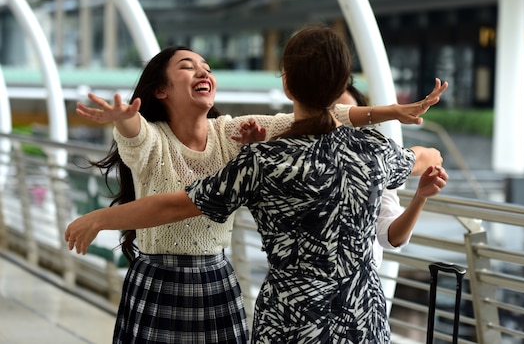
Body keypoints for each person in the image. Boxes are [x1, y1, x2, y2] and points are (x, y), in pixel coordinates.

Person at [66, 24, 448, 343]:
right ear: (338, 88)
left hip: (288, 319)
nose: (203, 72)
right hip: (361, 316)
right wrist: (400, 123)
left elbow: (173, 205)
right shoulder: (372, 150)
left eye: (206, 66)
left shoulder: (258, 162)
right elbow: (427, 156)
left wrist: (100, 217)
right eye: (189, 66)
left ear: (286, 85)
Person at [335, 81, 443, 268]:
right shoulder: (379, 163)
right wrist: (394, 111)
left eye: (349, 121)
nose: (341, 128)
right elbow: (428, 157)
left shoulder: (375, 165)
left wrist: (420, 197)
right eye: (340, 117)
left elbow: (391, 237)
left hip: (359, 289)